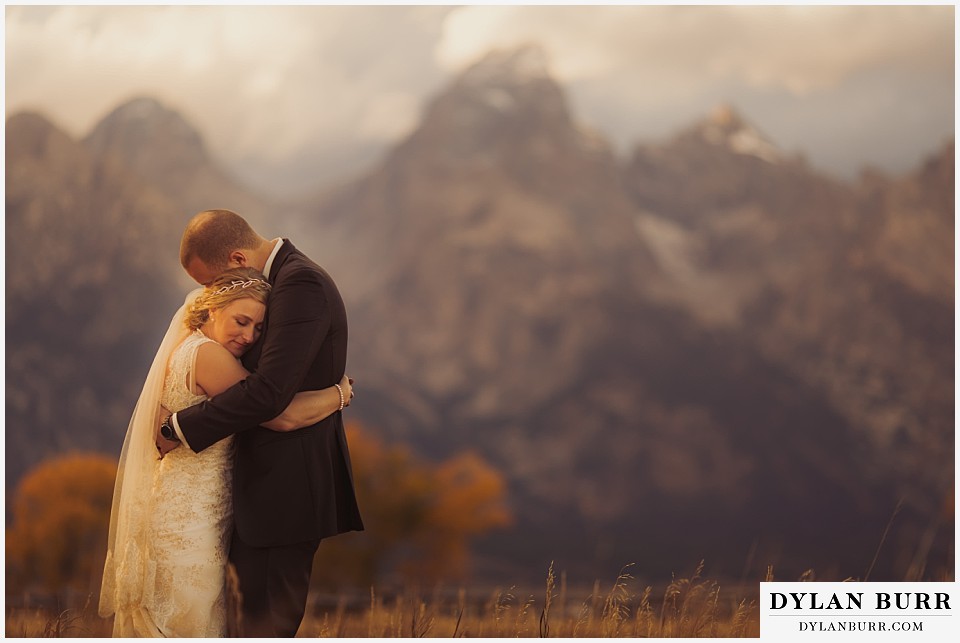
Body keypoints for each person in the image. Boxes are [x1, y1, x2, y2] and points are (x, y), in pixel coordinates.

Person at [99, 267, 353, 637]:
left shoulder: (186, 349)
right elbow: (279, 416)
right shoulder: (208, 357)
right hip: (189, 525)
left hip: (181, 510)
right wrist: (340, 394)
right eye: (241, 320)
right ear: (212, 309)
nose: (248, 336)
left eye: (259, 329)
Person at [155, 209, 364, 637]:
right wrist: (338, 394)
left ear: (236, 258)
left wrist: (179, 426)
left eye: (212, 282)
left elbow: (270, 394)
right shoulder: (282, 282)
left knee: (262, 630)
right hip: (257, 496)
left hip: (283, 495)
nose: (213, 295)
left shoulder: (300, 283)